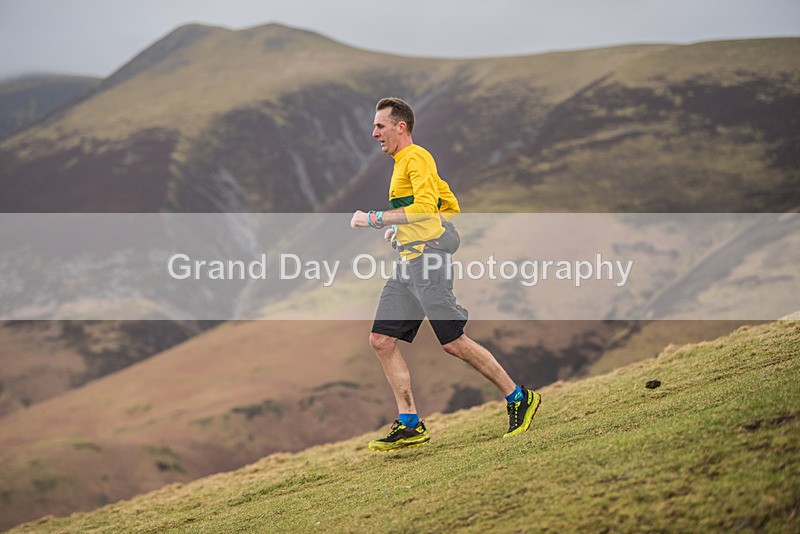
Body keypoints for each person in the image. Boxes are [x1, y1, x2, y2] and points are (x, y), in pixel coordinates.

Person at [350, 97, 541, 452]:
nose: (374, 133)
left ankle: (519, 397)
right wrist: (402, 230)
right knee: (381, 340)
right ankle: (410, 423)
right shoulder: (403, 162)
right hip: (408, 263)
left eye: (380, 126)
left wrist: (374, 219)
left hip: (428, 264)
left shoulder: (416, 158)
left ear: (400, 127)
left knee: (453, 341)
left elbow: (424, 208)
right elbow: (447, 205)